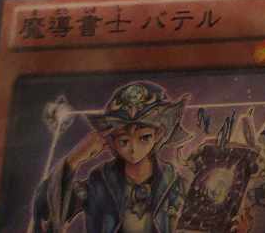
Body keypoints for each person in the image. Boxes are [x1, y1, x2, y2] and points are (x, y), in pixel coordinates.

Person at [33, 81, 188, 233]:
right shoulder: (99, 183)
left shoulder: (174, 183)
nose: (133, 149)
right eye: (124, 141)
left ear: (158, 134)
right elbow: (44, 210)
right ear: (112, 141)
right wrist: (76, 158)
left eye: (144, 137)